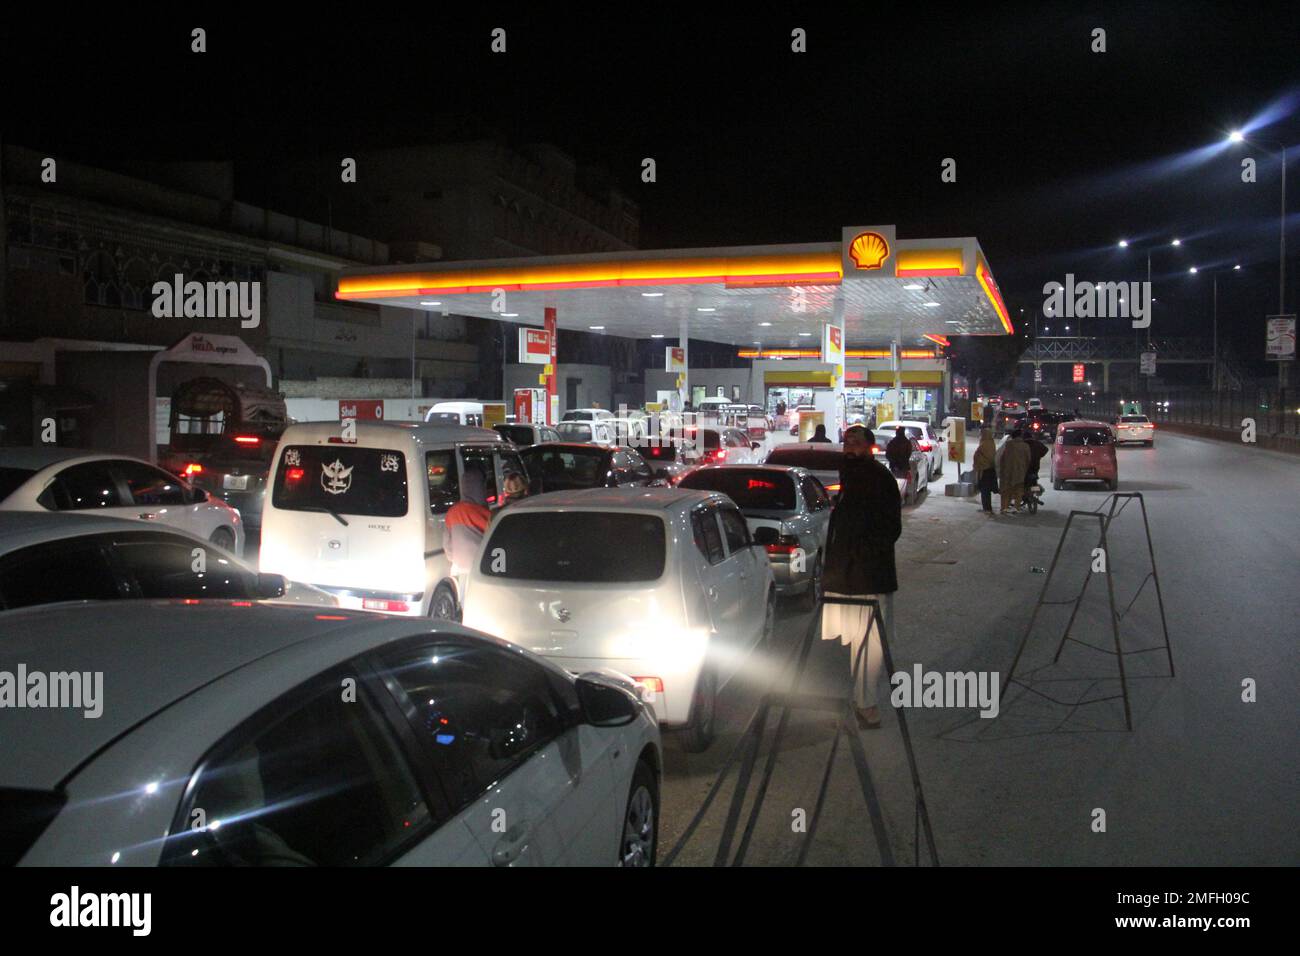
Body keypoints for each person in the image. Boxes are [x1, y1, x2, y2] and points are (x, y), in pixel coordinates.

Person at [820, 425, 902, 729]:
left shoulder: (878, 478)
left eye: (855, 442)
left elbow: (889, 528)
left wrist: (864, 556)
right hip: (847, 576)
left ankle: (865, 702)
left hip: (869, 576)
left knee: (872, 642)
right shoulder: (850, 476)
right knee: (858, 640)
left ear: (870, 447)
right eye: (846, 442)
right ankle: (860, 698)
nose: (848, 446)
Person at [443, 464, 491, 574]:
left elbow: (447, 546)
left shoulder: (451, 513)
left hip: (458, 570)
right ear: (481, 487)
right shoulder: (487, 515)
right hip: (481, 570)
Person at [998, 428, 1031, 514]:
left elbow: (1002, 458)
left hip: (1007, 471)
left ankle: (1004, 507)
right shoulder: (1025, 446)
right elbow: (1028, 459)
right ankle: (1017, 507)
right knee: (1018, 490)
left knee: (1006, 490)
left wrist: (1001, 469)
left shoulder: (1008, 445)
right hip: (1020, 471)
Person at [972, 428, 998, 515]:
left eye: (982, 434)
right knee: (986, 490)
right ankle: (987, 507)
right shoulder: (991, 442)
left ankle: (987, 508)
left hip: (985, 469)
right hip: (989, 469)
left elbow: (985, 456)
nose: (981, 435)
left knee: (985, 490)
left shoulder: (985, 444)